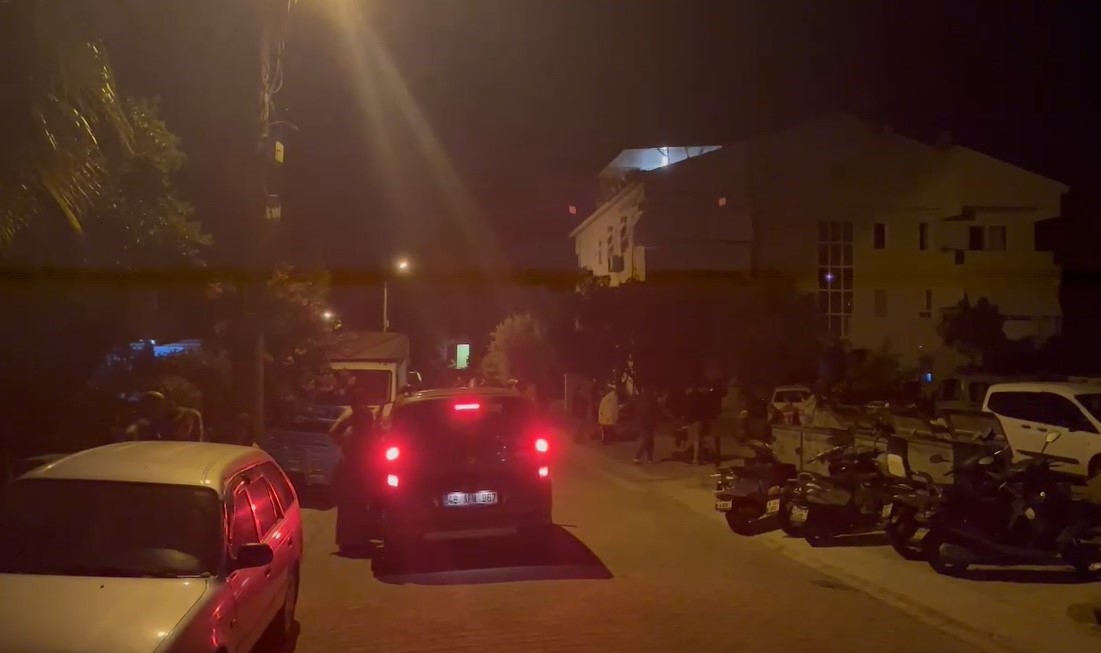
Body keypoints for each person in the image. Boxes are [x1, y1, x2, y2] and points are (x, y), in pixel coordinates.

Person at [633, 387, 661, 464]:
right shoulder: (652, 402)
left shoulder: (642, 398)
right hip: (647, 424)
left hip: (641, 423)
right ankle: (637, 458)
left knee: (650, 441)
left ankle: (650, 459)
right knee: (646, 441)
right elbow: (654, 414)